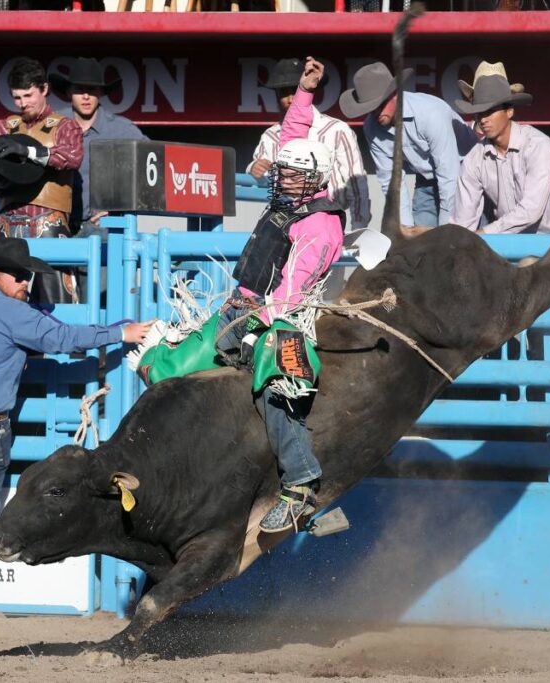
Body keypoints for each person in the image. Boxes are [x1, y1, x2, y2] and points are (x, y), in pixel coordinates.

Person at [0, 231, 153, 621]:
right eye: (16, 276)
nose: (24, 283)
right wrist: (122, 332)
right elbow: (66, 338)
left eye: (26, 276)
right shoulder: (17, 316)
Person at [225, 57, 342, 533]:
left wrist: (253, 315)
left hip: (288, 319)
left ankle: (299, 484)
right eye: (284, 172)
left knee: (279, 388)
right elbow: (294, 130)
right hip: (248, 304)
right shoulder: (293, 196)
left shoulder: (320, 227)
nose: (281, 178)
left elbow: (292, 292)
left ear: (312, 180)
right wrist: (305, 93)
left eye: (291, 175)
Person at [0, 57, 84, 303]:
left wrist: (27, 152)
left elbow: (72, 157)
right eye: (17, 97)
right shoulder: (4, 127)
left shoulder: (65, 126)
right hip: (8, 224)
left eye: (28, 95)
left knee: (57, 301)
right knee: (6, 301)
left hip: (48, 224)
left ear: (44, 89)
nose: (22, 103)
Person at [340, 61, 477, 229]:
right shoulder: (371, 127)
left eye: (381, 105)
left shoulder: (430, 113)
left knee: (469, 238)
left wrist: (447, 232)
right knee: (419, 241)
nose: (376, 113)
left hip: (467, 174)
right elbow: (391, 181)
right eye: (370, 108)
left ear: (395, 95)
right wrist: (403, 228)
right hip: (426, 176)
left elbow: (450, 178)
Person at [451, 62, 550, 235]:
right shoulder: (474, 158)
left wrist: (486, 233)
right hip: (508, 237)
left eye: (490, 111)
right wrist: (458, 240)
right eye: (479, 113)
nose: (483, 119)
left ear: (509, 111)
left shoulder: (538, 145)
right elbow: (463, 219)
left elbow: (531, 210)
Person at [248, 58, 371, 231]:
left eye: (295, 90)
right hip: (283, 220)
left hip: (327, 217)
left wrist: (359, 227)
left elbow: (356, 181)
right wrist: (254, 167)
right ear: (276, 95)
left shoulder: (336, 130)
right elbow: (258, 173)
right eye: (284, 92)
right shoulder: (270, 135)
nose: (291, 98)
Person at [48, 57, 148, 237]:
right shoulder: (53, 125)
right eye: (79, 89)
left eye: (92, 90)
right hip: (55, 225)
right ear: (69, 92)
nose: (86, 96)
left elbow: (153, 170)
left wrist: (121, 209)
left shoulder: (122, 130)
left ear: (100, 93)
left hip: (102, 229)